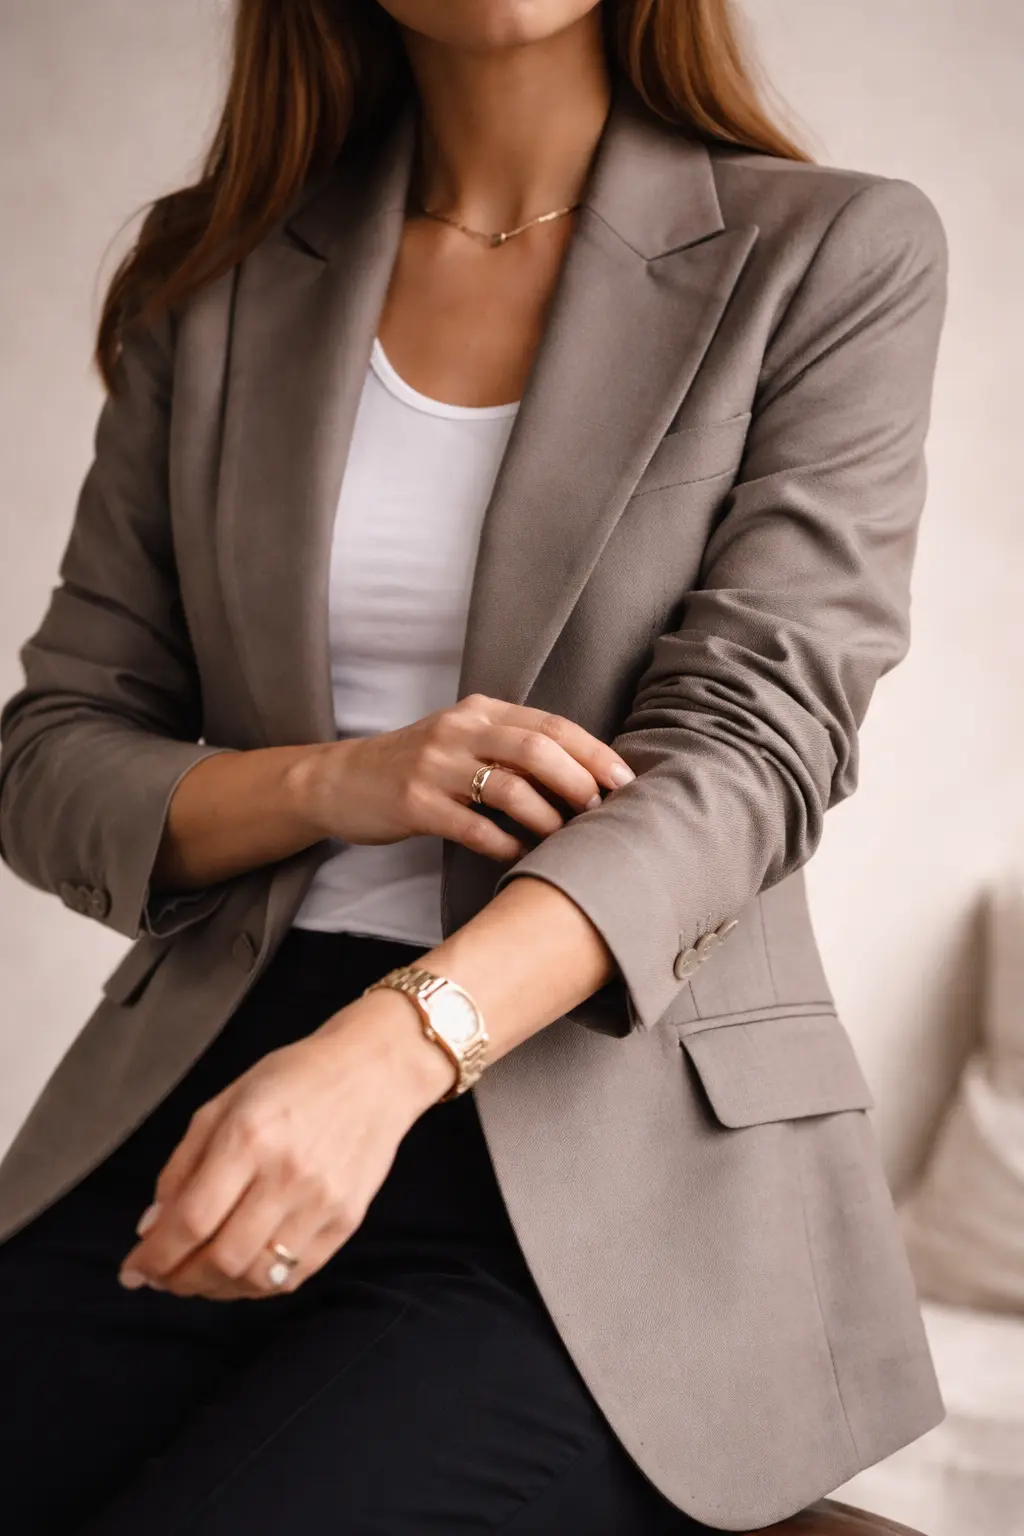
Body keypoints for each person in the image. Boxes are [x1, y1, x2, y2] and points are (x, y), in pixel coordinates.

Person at [0, 1, 949, 1532]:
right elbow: (52, 759)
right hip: (210, 1108)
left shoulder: (830, 252)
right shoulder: (218, 269)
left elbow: (754, 749)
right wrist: (340, 779)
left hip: (606, 1158)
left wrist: (393, 1052)